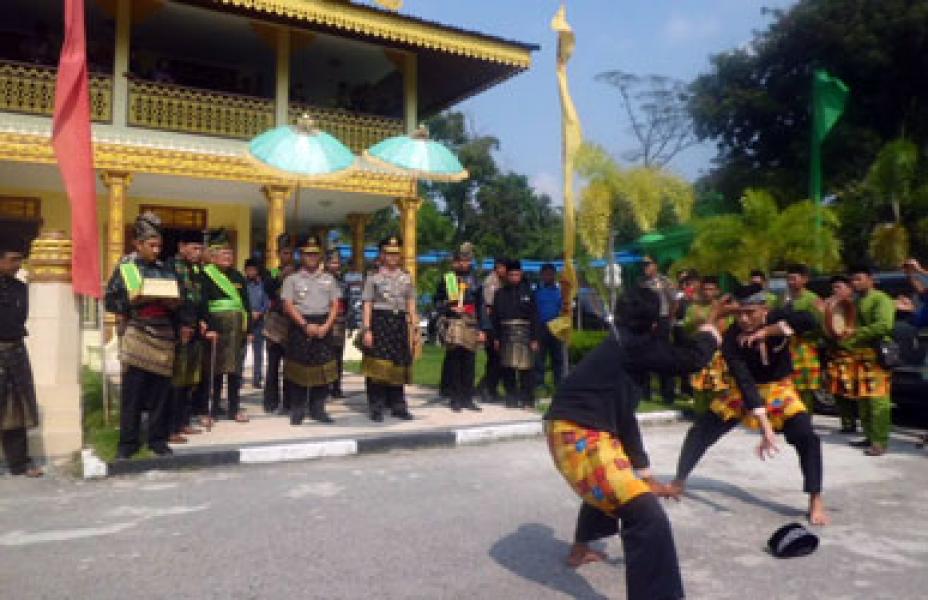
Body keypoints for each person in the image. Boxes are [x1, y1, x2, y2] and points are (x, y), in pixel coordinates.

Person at [545, 287, 722, 600]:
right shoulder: (634, 346)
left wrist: (645, 474)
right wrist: (711, 332)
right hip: (578, 435)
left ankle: (580, 549)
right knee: (646, 514)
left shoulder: (622, 344)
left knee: (610, 483)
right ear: (653, 324)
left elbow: (624, 419)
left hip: (577, 430)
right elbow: (690, 359)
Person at [667, 283, 829, 526]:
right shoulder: (732, 339)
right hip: (743, 390)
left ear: (764, 309)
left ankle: (815, 496)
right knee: (701, 431)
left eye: (750, 313)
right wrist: (766, 428)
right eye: (739, 313)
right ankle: (679, 479)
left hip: (779, 389)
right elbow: (745, 382)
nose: (743, 319)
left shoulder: (777, 316)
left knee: (806, 436)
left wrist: (769, 331)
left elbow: (810, 320)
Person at [105, 213, 194, 458]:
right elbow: (111, 301)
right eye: (151, 245)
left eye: (159, 246)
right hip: (138, 332)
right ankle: (128, 443)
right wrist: (135, 300)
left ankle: (157, 439)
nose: (156, 250)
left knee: (161, 392)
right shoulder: (127, 268)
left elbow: (182, 298)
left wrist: (176, 306)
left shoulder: (165, 270)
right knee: (133, 393)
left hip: (164, 335)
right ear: (138, 244)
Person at [830, 266, 895, 456]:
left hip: (876, 355)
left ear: (870, 279)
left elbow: (884, 325)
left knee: (878, 400)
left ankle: (880, 441)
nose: (855, 283)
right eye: (853, 280)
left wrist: (856, 333)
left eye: (859, 279)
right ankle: (869, 436)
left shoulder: (881, 299)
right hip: (858, 355)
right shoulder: (856, 301)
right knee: (863, 400)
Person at [281, 236, 340, 425]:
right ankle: (297, 409)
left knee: (322, 369)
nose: (312, 257)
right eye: (308, 254)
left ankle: (318, 409)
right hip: (300, 325)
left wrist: (326, 326)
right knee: (298, 369)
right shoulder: (292, 279)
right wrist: (305, 325)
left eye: (315, 254)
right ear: (301, 256)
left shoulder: (329, 279)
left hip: (323, 324)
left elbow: (335, 305)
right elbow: (288, 305)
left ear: (320, 256)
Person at [361, 237, 418, 422]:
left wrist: (415, 327)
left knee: (398, 366)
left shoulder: (406, 277)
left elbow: (411, 303)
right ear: (382, 255)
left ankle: (398, 406)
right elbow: (367, 304)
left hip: (399, 323)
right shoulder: (373, 277)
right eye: (388, 254)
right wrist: (367, 329)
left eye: (396, 254)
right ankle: (376, 406)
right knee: (377, 366)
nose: (392, 257)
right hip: (380, 322)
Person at [0, 237, 42, 477]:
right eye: (13, 260)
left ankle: (19, 463)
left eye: (20, 260)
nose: (18, 265)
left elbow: (21, 318)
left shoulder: (20, 288)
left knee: (16, 409)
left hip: (15, 350)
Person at [201, 230, 251, 424]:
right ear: (213, 256)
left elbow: (246, 304)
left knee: (235, 371)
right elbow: (203, 303)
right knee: (215, 370)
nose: (228, 257)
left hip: (237, 329)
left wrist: (249, 329)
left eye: (230, 253)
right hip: (216, 328)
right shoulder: (206, 275)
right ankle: (212, 410)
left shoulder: (238, 276)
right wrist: (209, 326)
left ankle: (234, 409)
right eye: (224, 253)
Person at [166, 230, 206, 443]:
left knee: (190, 380)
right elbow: (171, 301)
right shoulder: (170, 267)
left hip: (195, 330)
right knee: (176, 381)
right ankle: (171, 427)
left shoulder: (196, 270)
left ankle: (183, 421)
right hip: (177, 329)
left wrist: (202, 320)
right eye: (194, 248)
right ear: (182, 247)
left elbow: (199, 300)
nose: (198, 252)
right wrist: (181, 324)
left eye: (200, 248)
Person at [435, 243, 486, 412]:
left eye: (467, 260)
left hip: (471, 322)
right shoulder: (449, 279)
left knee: (469, 360)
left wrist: (483, 328)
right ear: (455, 262)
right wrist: (449, 308)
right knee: (455, 359)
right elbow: (438, 301)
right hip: (454, 321)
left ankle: (468, 397)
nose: (464, 264)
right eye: (461, 261)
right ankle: (455, 397)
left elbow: (480, 305)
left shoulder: (476, 280)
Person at [492, 260, 540, 409]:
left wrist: (535, 338)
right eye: (511, 275)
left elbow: (535, 316)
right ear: (507, 275)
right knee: (508, 368)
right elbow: (495, 318)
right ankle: (511, 397)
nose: (514, 277)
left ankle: (527, 399)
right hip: (506, 333)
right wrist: (496, 337)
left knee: (526, 368)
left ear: (521, 274)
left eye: (516, 274)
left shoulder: (529, 293)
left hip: (525, 333)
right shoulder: (500, 293)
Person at [777, 263, 824, 413]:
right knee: (784, 386)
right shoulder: (783, 298)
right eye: (788, 279)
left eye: (794, 278)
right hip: (785, 347)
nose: (790, 282)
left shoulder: (812, 299)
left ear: (805, 279)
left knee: (805, 389)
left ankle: (805, 415)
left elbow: (820, 324)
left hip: (805, 348)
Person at [681, 276, 730, 415]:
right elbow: (687, 328)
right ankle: (700, 415)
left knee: (719, 389)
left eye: (711, 289)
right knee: (699, 387)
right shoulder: (693, 308)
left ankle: (717, 416)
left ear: (717, 291)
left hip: (718, 356)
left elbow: (727, 328)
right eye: (705, 289)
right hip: (699, 354)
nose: (708, 292)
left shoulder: (724, 308)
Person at [263, 234, 296, 414]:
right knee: (273, 365)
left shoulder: (299, 273)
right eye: (284, 253)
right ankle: (271, 401)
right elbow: (268, 291)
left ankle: (289, 402)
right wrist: (280, 278)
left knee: (291, 366)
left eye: (290, 253)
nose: (287, 257)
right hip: (276, 323)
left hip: (293, 323)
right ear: (278, 254)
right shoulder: (271, 273)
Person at [639, 256, 677, 405]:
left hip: (662, 320)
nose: (645, 267)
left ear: (655, 265)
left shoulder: (665, 282)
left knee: (664, 358)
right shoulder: (641, 283)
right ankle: (645, 393)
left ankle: (668, 394)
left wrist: (668, 319)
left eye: (648, 264)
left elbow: (674, 301)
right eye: (644, 265)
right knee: (645, 358)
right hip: (646, 322)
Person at [479, 257, 507, 403]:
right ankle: (487, 389)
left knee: (498, 360)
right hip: (491, 326)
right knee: (494, 359)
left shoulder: (502, 281)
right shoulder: (491, 282)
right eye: (504, 268)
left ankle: (489, 387)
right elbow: (488, 307)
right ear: (498, 267)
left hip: (498, 325)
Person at [533, 263, 565, 392]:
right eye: (545, 274)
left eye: (550, 274)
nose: (548, 277)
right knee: (539, 357)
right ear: (541, 275)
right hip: (541, 327)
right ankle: (539, 384)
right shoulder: (536, 291)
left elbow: (565, 308)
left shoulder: (560, 291)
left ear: (554, 275)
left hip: (556, 326)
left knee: (557, 357)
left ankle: (559, 384)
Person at [325, 249, 349, 398]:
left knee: (338, 355)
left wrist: (348, 319)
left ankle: (336, 386)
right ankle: (325, 386)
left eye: (337, 262)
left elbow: (347, 302)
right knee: (325, 355)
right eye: (332, 262)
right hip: (325, 320)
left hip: (339, 322)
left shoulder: (343, 282)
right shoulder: (321, 280)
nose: (335, 265)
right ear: (327, 264)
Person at [245, 259, 269, 389]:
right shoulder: (242, 284)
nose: (251, 272)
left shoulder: (262, 285)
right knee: (242, 351)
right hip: (245, 321)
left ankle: (257, 378)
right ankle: (238, 379)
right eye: (249, 270)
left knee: (258, 352)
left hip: (259, 322)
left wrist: (260, 312)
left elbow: (266, 302)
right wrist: (249, 313)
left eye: (253, 270)